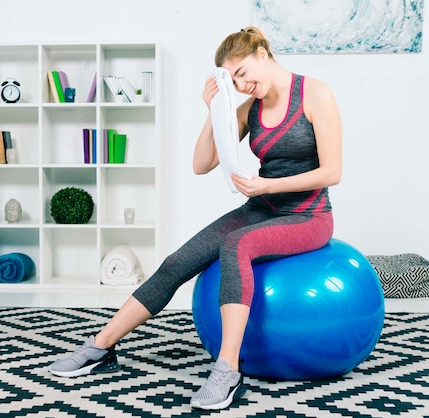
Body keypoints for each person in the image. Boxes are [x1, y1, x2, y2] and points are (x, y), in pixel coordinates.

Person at [48, 26, 342, 411]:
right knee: (177, 262)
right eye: (231, 79)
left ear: (262, 54)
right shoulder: (247, 110)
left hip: (309, 215)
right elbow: (201, 164)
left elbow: (331, 172)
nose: (240, 84)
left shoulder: (314, 94)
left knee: (237, 245)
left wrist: (267, 186)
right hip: (262, 207)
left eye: (240, 73)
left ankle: (227, 370)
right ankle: (99, 347)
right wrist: (213, 111)